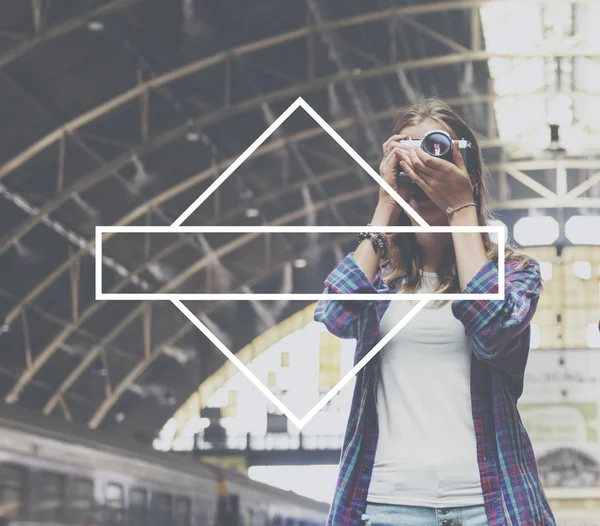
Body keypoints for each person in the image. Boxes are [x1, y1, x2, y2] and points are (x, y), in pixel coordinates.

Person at [314, 98, 556, 526]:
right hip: (388, 505)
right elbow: (335, 314)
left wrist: (460, 209)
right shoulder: (379, 277)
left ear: (470, 174)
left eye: (435, 157)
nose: (423, 177)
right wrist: (386, 204)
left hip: (490, 507)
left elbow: (493, 329)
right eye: (411, 162)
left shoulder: (515, 273)